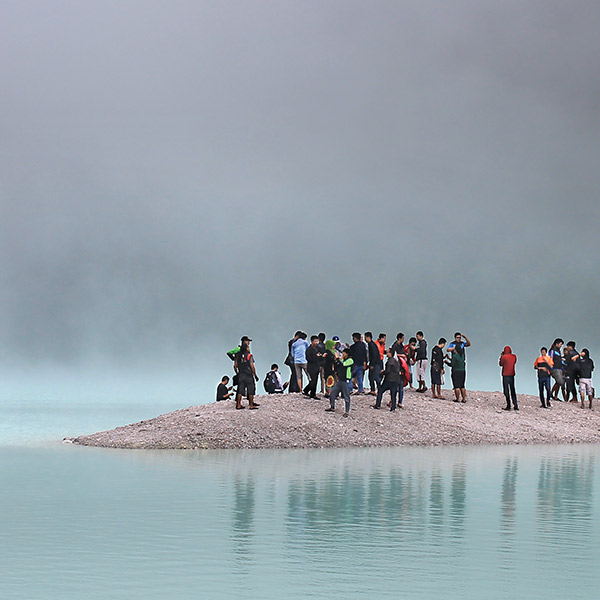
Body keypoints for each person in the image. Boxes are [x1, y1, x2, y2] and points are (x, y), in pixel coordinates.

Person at [325, 347, 353, 417]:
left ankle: (347, 411)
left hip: (346, 381)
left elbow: (343, 364)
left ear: (347, 354)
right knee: (332, 393)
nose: (342, 354)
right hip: (340, 380)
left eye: (343, 353)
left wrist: (338, 358)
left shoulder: (350, 360)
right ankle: (332, 407)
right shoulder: (343, 359)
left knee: (346, 397)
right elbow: (338, 364)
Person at [234, 338, 260, 409]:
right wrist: (255, 375)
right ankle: (251, 405)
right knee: (251, 389)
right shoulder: (249, 355)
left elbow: (235, 366)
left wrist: (237, 373)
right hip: (248, 375)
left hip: (241, 374)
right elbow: (252, 366)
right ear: (246, 348)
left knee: (240, 390)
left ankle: (238, 404)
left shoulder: (238, 355)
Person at [447, 332, 471, 402]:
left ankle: (458, 398)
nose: (459, 339)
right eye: (458, 338)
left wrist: (465, 338)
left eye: (460, 338)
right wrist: (455, 348)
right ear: (455, 338)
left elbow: (469, 344)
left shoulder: (462, 343)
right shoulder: (452, 343)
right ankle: (463, 399)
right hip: (461, 365)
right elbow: (448, 349)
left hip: (456, 367)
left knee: (457, 385)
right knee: (462, 385)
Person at [499, 346, 518, 411]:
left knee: (506, 390)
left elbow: (501, 364)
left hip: (505, 375)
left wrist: (501, 356)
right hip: (512, 374)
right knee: (513, 390)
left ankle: (508, 405)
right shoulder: (514, 356)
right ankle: (515, 405)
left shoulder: (504, 357)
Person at [365, 331, 382, 396]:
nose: (365, 339)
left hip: (375, 364)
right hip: (374, 363)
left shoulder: (372, 345)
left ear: (368, 337)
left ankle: (379, 390)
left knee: (376, 378)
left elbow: (374, 355)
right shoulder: (371, 344)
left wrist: (372, 364)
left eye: (365, 337)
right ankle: (372, 390)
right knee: (371, 377)